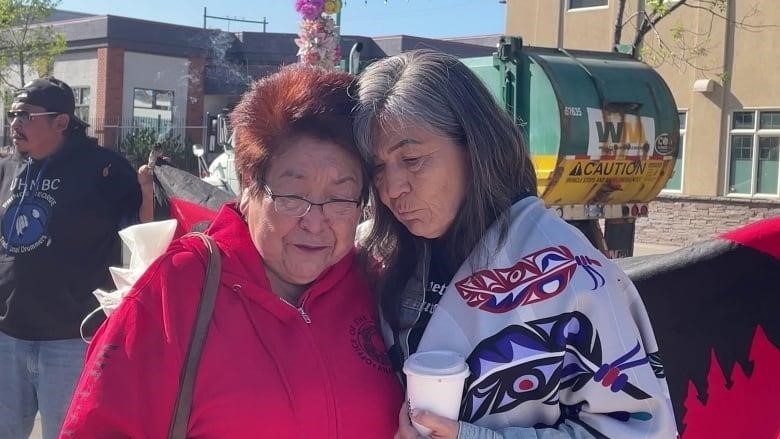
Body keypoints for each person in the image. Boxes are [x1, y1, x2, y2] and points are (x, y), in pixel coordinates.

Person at [60, 64, 403, 437]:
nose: (316, 222)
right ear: (249, 185)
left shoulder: (375, 285)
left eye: (339, 196)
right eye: (293, 195)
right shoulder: (178, 287)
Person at [353, 50, 678, 438]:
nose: (391, 188)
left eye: (412, 158)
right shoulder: (374, 252)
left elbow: (642, 429)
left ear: (475, 147)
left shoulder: (569, 274)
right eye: (377, 166)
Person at [0, 77, 145, 439]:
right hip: (7, 337)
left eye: (25, 115)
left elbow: (145, 237)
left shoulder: (103, 169)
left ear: (61, 122)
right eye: (12, 114)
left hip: (71, 341)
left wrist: (146, 191)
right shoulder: (7, 168)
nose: (14, 124)